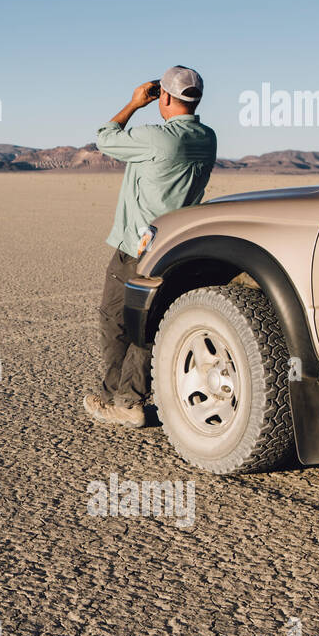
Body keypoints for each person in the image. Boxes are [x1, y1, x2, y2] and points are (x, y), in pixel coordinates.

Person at [83, 65, 217, 427]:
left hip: (137, 245)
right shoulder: (208, 137)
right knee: (150, 322)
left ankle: (121, 399)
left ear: (167, 97)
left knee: (115, 319)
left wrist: (134, 103)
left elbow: (105, 137)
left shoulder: (158, 138)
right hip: (176, 246)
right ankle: (131, 396)